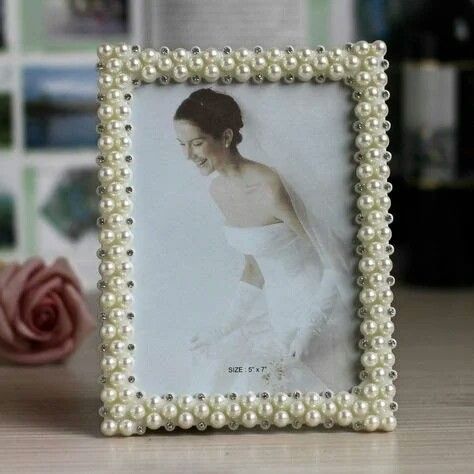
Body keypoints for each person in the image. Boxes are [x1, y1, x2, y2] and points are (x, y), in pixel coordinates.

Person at [173, 88, 348, 393]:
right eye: (182, 145)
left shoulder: (270, 187)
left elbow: (334, 259)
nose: (188, 155)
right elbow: (254, 265)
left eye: (197, 143)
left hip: (317, 312)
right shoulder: (218, 191)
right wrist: (226, 325)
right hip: (277, 312)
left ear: (226, 137)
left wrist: (310, 328)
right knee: (217, 369)